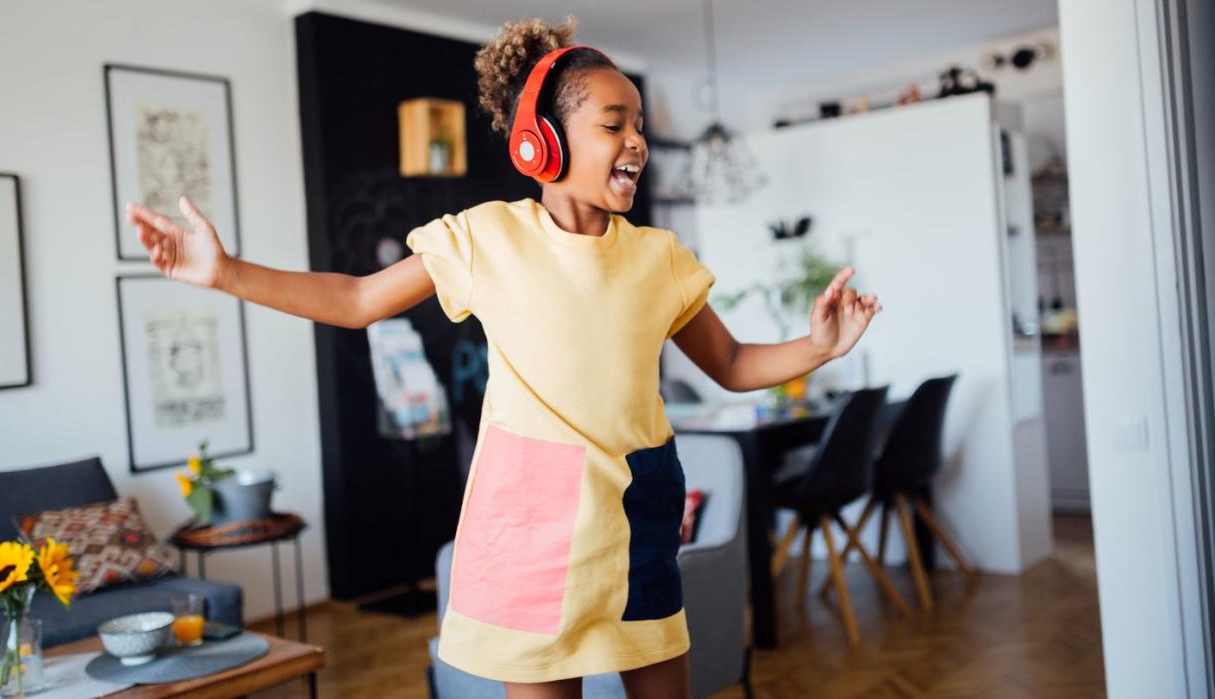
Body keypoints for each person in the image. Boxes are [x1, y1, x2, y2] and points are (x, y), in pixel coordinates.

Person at [126, 16, 881, 699]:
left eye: (639, 124)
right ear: (542, 143)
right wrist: (226, 273)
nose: (637, 141)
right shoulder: (485, 237)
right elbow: (357, 300)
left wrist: (817, 346)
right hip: (532, 529)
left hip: (637, 518)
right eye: (614, 123)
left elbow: (734, 363)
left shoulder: (661, 257)